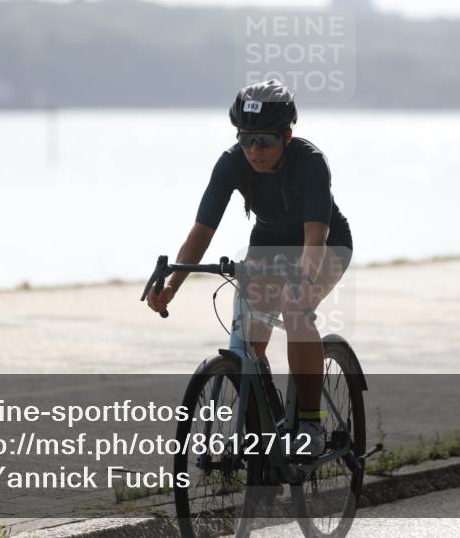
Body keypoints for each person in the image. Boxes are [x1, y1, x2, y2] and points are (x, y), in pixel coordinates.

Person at [145, 79, 353, 457]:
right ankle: (261, 429)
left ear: (287, 136)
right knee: (248, 337)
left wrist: (304, 280)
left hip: (325, 244)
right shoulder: (231, 164)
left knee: (295, 310)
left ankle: (310, 422)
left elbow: (315, 238)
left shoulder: (310, 162)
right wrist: (173, 283)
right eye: (246, 139)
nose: (254, 151)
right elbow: (202, 232)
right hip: (269, 244)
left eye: (265, 142)